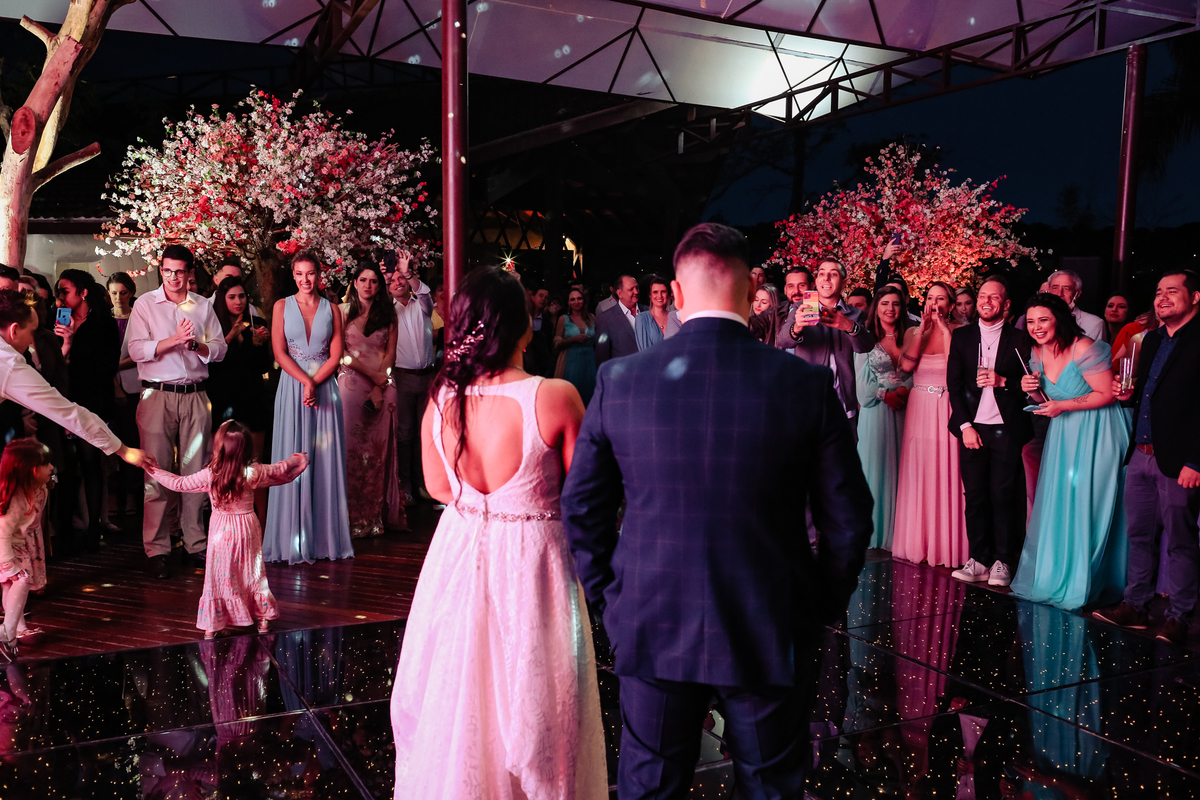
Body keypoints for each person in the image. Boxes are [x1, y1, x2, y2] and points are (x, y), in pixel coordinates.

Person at [562, 223, 873, 799]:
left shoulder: (622, 380)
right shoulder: (801, 385)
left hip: (653, 612)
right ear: (747, 289)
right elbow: (848, 515)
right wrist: (817, 604)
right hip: (768, 615)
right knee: (771, 785)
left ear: (678, 295)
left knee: (651, 784)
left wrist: (611, 597)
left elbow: (582, 508)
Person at [390, 265, 606, 799]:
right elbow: (585, 499)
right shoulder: (554, 396)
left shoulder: (441, 398)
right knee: (535, 697)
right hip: (533, 564)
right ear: (525, 326)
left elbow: (439, 488)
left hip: (459, 557)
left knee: (463, 689)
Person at [1094, 270, 1200, 645]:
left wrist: (1196, 461)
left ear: (1196, 297)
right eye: (1158, 292)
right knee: (1139, 536)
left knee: (1181, 542)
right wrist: (1128, 396)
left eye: (1173, 291)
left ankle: (1179, 617)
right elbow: (1149, 395)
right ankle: (1135, 607)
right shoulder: (1151, 340)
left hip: (1180, 460)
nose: (1162, 298)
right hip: (1140, 453)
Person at [1010, 293, 1128, 610]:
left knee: (1090, 503)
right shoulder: (1034, 352)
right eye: (1031, 321)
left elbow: (1106, 394)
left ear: (1059, 318)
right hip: (1064, 434)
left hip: (1099, 430)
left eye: (1043, 319)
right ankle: (1057, 576)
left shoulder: (1085, 348)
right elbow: (1043, 400)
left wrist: (1060, 405)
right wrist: (1030, 388)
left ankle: (1088, 581)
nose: (1036, 327)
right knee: (1063, 502)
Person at [146, 421, 309, 639]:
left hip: (221, 531)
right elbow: (280, 471)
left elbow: (180, 484)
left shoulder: (211, 474)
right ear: (247, 448)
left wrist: (153, 470)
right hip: (247, 529)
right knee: (252, 573)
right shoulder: (252, 472)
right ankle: (261, 619)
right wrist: (297, 459)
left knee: (220, 576)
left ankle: (213, 625)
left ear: (219, 448)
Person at [125, 245, 227, 579]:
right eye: (167, 271)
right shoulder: (145, 304)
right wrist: (172, 341)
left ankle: (195, 543)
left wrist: (196, 345)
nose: (173, 277)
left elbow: (221, 349)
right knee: (155, 470)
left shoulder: (202, 306)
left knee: (197, 470)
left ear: (189, 272)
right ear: (161, 271)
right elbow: (136, 349)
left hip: (196, 395)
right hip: (157, 394)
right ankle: (157, 549)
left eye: (179, 271)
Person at [263, 251, 352, 564]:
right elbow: (279, 351)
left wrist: (315, 383)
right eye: (299, 274)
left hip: (325, 388)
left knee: (325, 459)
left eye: (310, 273)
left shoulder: (334, 309)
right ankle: (291, 539)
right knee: (292, 456)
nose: (305, 280)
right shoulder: (280, 306)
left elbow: (337, 353)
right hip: (292, 387)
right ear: (293, 275)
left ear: (319, 274)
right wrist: (305, 381)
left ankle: (325, 539)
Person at [946, 276, 1033, 587]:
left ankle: (1003, 561)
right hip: (973, 427)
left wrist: (1002, 381)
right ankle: (979, 558)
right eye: (982, 295)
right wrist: (965, 426)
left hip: (1006, 427)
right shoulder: (962, 337)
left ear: (1006, 305)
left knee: (1003, 494)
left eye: (994, 297)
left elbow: (1030, 388)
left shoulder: (1022, 339)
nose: (986, 301)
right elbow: (954, 386)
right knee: (976, 495)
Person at [891, 282, 969, 567]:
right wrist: (921, 332)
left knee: (949, 470)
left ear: (951, 304)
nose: (934, 304)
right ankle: (919, 540)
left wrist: (946, 333)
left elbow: (955, 370)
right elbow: (906, 367)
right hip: (920, 407)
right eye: (930, 298)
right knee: (920, 470)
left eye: (941, 299)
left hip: (949, 405)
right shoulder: (915, 331)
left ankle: (947, 544)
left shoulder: (961, 333)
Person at [54, 269, 120, 553]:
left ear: (82, 292)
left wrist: (75, 352)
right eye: (59, 292)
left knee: (92, 463)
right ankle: (65, 529)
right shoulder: (57, 320)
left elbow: (107, 366)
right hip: (62, 399)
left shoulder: (103, 321)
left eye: (65, 291)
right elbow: (51, 366)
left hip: (93, 400)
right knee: (67, 466)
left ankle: (95, 526)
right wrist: (66, 342)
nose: (60, 297)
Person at [339, 263, 401, 537]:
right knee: (350, 455)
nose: (368, 285)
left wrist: (381, 383)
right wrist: (372, 376)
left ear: (380, 286)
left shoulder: (389, 313)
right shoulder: (341, 312)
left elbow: (390, 356)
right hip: (351, 385)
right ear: (354, 282)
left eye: (374, 281)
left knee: (377, 456)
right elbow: (341, 354)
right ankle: (347, 518)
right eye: (363, 280)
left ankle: (374, 518)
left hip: (384, 388)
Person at [776, 257, 878, 424]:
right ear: (816, 281)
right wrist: (797, 327)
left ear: (844, 283)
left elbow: (866, 346)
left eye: (833, 274)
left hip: (844, 406)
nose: (826, 278)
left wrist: (848, 326)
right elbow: (783, 341)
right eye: (822, 273)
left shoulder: (854, 314)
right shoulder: (798, 308)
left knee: (845, 449)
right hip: (808, 402)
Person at [855, 285, 914, 550]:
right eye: (884, 303)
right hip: (875, 412)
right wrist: (884, 394)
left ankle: (901, 535)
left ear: (902, 308)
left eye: (896, 304)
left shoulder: (912, 336)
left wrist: (906, 389)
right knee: (875, 467)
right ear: (875, 308)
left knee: (904, 468)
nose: (890, 309)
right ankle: (874, 531)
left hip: (905, 409)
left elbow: (921, 371)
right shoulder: (864, 339)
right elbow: (860, 386)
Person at [0, 438, 52, 662]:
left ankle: (18, 628)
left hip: (19, 541)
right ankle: (7, 633)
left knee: (12, 584)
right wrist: (8, 564)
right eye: (46, 464)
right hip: (5, 544)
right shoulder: (14, 499)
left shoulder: (39, 489)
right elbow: (2, 532)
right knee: (20, 579)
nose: (51, 468)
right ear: (31, 470)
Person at [390, 253, 435, 506]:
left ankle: (422, 483)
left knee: (424, 433)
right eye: (393, 280)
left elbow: (426, 295)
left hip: (427, 376)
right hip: (402, 378)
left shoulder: (423, 305)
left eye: (402, 278)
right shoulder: (388, 312)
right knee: (405, 433)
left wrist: (409, 273)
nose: (398, 282)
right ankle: (405, 485)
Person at [109, 272, 143, 518]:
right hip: (109, 389)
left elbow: (141, 354)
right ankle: (113, 496)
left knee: (132, 441)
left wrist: (113, 368)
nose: (119, 298)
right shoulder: (104, 320)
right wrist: (114, 383)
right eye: (113, 293)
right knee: (110, 442)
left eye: (123, 292)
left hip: (135, 387)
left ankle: (132, 494)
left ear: (131, 293)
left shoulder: (139, 318)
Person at [1017, 270, 1104, 340]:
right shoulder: (1025, 319)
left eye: (1066, 288)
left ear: (1077, 294)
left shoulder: (1094, 323)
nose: (1059, 294)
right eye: (1055, 288)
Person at [554, 287, 597, 405]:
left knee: (590, 395)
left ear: (584, 300)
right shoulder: (563, 319)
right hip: (570, 361)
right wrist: (572, 340)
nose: (576, 302)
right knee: (571, 397)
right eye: (572, 299)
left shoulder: (592, 318)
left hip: (589, 361)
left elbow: (601, 340)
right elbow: (556, 343)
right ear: (568, 302)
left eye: (579, 298)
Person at [594, 274, 643, 364]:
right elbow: (602, 356)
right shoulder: (605, 319)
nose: (636, 292)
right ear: (619, 293)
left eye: (637, 288)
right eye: (631, 289)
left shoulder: (649, 312)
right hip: (622, 375)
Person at [634, 275, 681, 350]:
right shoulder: (642, 319)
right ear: (650, 295)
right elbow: (644, 352)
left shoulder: (676, 316)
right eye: (655, 292)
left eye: (663, 292)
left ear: (668, 294)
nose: (659, 296)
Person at [523, 283, 554, 377]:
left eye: (546, 297)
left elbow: (549, 347)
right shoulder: (523, 319)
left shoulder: (547, 323)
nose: (543, 299)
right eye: (541, 296)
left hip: (541, 368)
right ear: (532, 297)